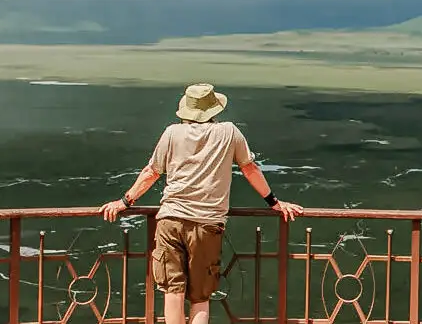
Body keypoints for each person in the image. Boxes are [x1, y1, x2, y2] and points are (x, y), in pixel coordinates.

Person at [100, 83, 304, 324]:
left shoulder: (171, 133)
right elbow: (250, 169)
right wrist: (274, 202)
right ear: (214, 110)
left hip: (170, 220)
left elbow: (151, 172)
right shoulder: (230, 132)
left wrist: (125, 201)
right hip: (207, 224)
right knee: (200, 296)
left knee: (172, 292)